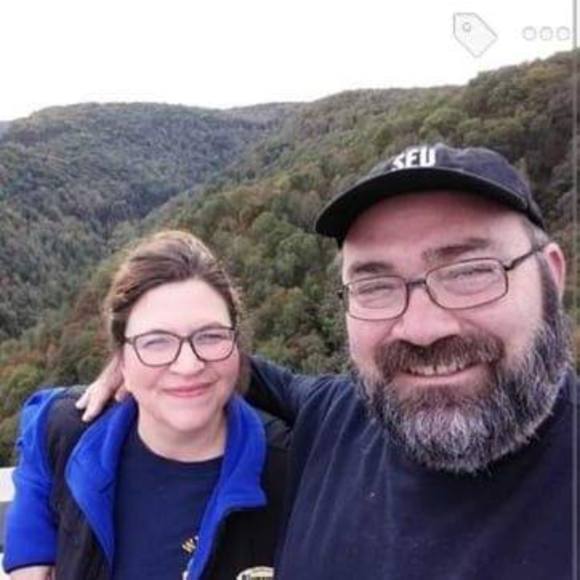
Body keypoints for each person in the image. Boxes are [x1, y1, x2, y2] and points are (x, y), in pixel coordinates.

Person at [79, 144, 578, 579]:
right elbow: (236, 370)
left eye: (469, 271)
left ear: (552, 278)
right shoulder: (337, 417)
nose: (422, 329)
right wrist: (147, 354)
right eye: (375, 286)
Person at [4, 231, 288, 580]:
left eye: (211, 336)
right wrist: (29, 541)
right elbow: (41, 418)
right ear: (121, 361)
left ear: (236, 344)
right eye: (156, 342)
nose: (188, 365)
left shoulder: (289, 471)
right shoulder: (80, 433)